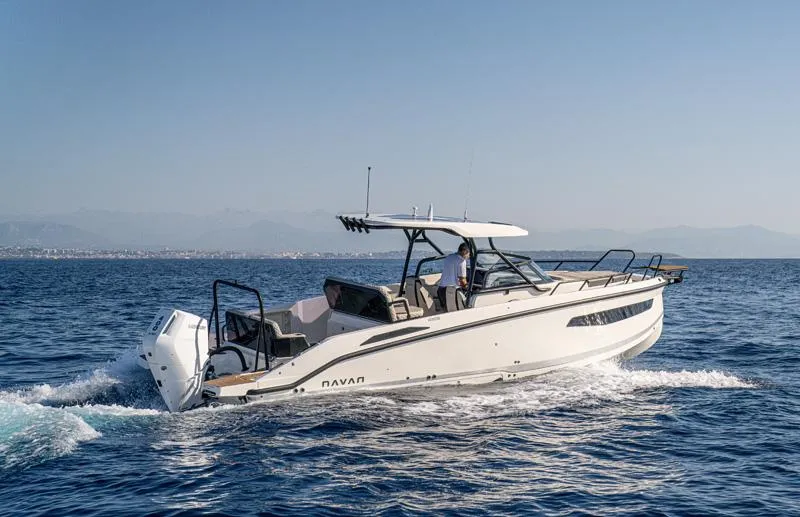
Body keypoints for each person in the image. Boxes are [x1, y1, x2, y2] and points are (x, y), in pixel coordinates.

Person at [437, 243, 470, 311]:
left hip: (441, 290)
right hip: (452, 292)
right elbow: (462, 280)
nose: (469, 256)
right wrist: (469, 288)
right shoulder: (462, 261)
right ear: (465, 251)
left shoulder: (449, 257)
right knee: (467, 305)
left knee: (447, 311)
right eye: (469, 254)